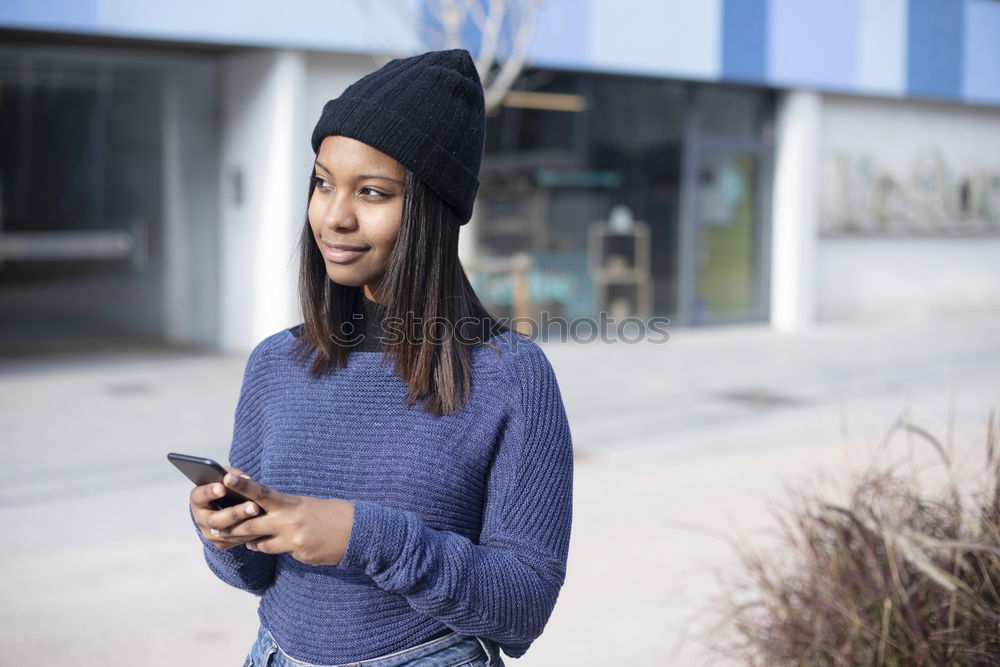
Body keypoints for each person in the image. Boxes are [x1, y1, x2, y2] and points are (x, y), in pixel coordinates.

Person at [187, 49, 574, 667]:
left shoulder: (511, 376)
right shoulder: (275, 363)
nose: (334, 216)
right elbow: (257, 577)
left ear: (431, 209)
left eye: (372, 192)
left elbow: (524, 604)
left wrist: (363, 537)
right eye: (322, 183)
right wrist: (227, 531)